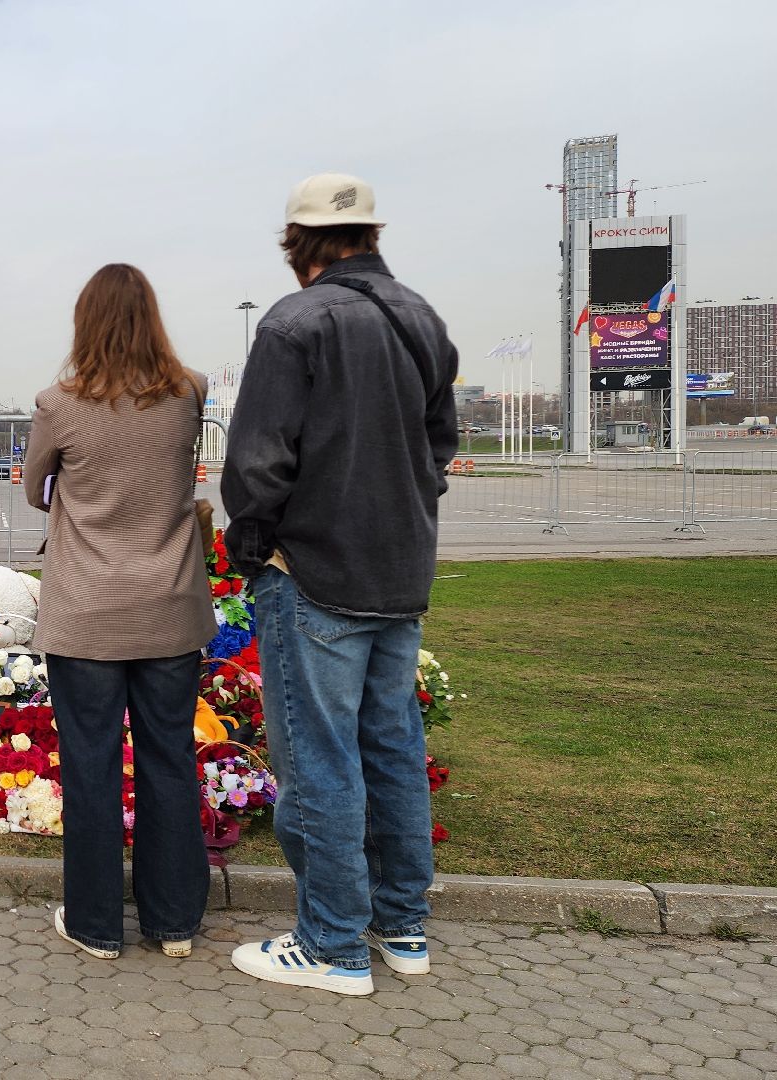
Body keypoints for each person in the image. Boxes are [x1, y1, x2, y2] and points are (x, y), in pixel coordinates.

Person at [221, 174, 458, 996]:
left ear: (298, 246)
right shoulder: (421, 316)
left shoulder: (295, 322)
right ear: (370, 235)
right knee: (391, 748)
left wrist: (254, 546)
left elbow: (257, 458)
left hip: (315, 571)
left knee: (319, 759)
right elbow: (440, 446)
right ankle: (402, 928)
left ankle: (330, 944)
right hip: (399, 572)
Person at [25, 263, 215, 962]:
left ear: (85, 323)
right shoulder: (188, 392)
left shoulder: (57, 403)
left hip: (85, 613)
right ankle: (174, 924)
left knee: (91, 765)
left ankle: (98, 924)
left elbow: (33, 489)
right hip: (169, 606)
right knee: (170, 759)